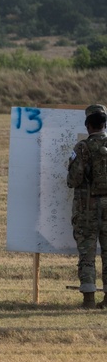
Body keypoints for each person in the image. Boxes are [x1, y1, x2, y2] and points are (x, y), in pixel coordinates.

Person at [67, 103, 107, 309]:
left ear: (88, 125)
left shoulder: (82, 148)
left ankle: (89, 300)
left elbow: (74, 180)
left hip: (87, 208)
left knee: (87, 252)